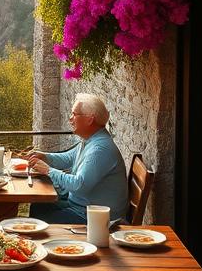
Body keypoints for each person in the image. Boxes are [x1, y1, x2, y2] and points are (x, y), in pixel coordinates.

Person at [26, 93, 127, 224]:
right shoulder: (92, 139)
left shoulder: (99, 149)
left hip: (96, 218)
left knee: (38, 218)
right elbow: (69, 157)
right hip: (81, 207)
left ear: (90, 119)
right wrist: (45, 156)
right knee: (38, 206)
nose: (70, 118)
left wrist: (48, 170)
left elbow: (78, 185)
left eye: (74, 114)